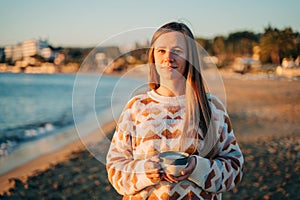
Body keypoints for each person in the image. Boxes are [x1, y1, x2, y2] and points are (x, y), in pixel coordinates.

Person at [106, 22, 244, 199]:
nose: (168, 57)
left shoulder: (212, 108)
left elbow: (235, 167)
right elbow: (114, 168)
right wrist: (144, 172)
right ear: (153, 57)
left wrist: (197, 168)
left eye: (177, 51)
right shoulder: (136, 107)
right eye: (161, 51)